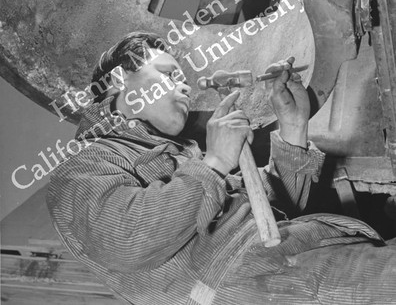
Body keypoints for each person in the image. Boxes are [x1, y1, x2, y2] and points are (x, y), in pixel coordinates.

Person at [47, 32, 396, 305]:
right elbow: (126, 238)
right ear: (120, 80)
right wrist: (213, 164)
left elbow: (270, 211)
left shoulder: (183, 156)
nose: (184, 86)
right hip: (256, 285)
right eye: (169, 74)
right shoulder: (82, 165)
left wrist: (292, 129)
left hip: (288, 264)